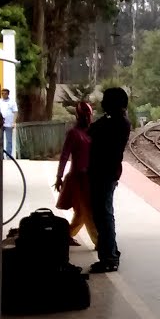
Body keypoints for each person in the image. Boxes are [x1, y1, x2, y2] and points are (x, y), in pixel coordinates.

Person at [87, 87, 131, 273]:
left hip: (103, 173)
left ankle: (109, 258)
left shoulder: (113, 123)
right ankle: (111, 251)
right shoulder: (121, 121)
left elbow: (91, 131)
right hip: (109, 172)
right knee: (105, 214)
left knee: (103, 215)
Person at [55, 102, 97, 249]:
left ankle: (65, 235)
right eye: (85, 116)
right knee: (88, 211)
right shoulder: (73, 133)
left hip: (89, 178)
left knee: (81, 212)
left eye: (88, 115)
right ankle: (99, 241)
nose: (87, 118)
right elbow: (64, 156)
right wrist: (59, 176)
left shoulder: (92, 132)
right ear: (78, 116)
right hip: (78, 178)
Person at [0, 88, 19, 156]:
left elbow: (15, 112)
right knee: (0, 140)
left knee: (9, 140)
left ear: (8, 94)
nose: (4, 95)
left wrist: (14, 122)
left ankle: (8, 155)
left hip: (9, 123)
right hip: (1, 123)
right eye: (2, 93)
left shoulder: (12, 102)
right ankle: (1, 155)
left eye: (5, 93)